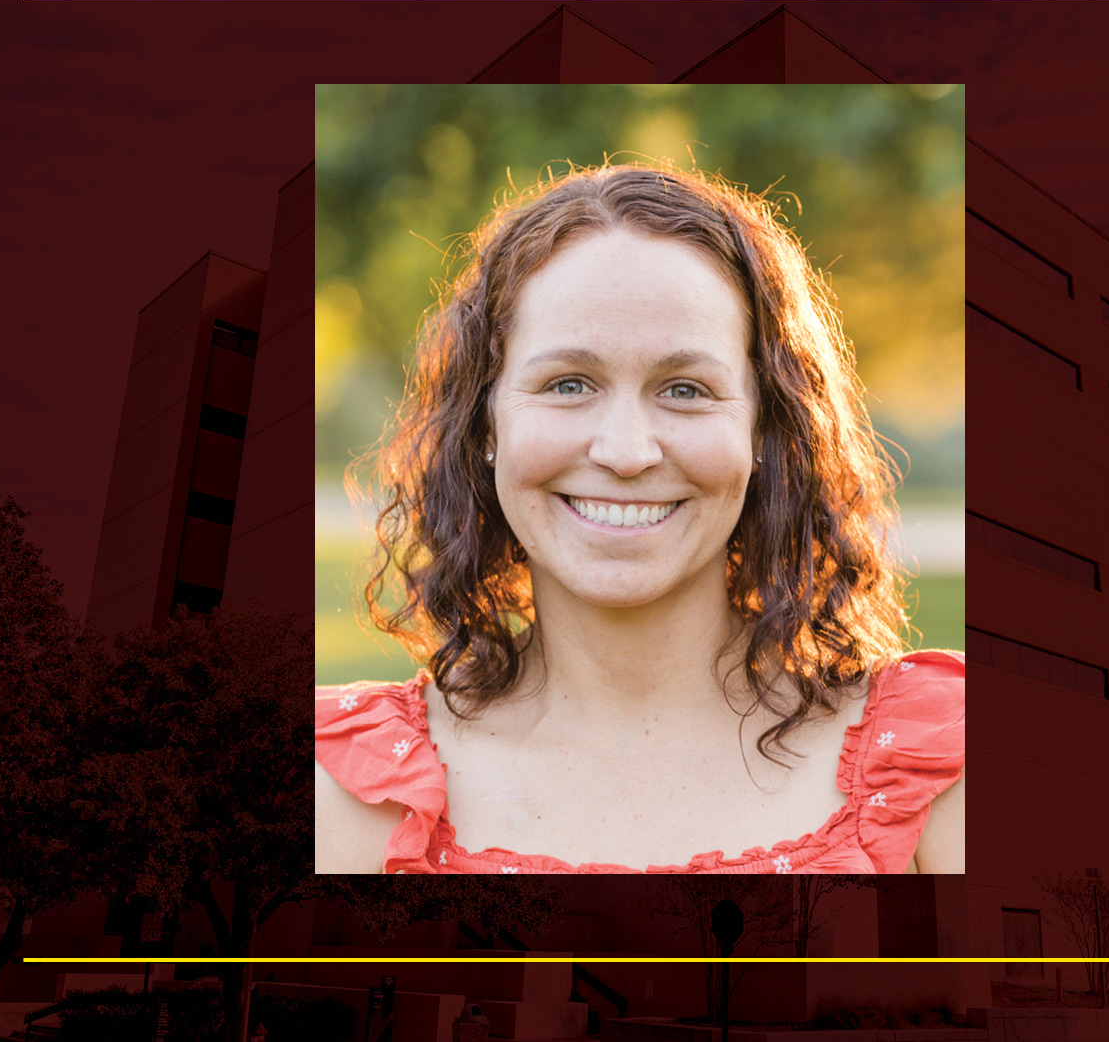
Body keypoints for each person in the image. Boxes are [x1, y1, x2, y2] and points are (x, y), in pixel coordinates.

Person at [315, 163, 964, 874]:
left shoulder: (943, 762)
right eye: (568, 384)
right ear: (486, 424)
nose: (626, 451)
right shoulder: (339, 788)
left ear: (763, 431)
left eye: (686, 389)